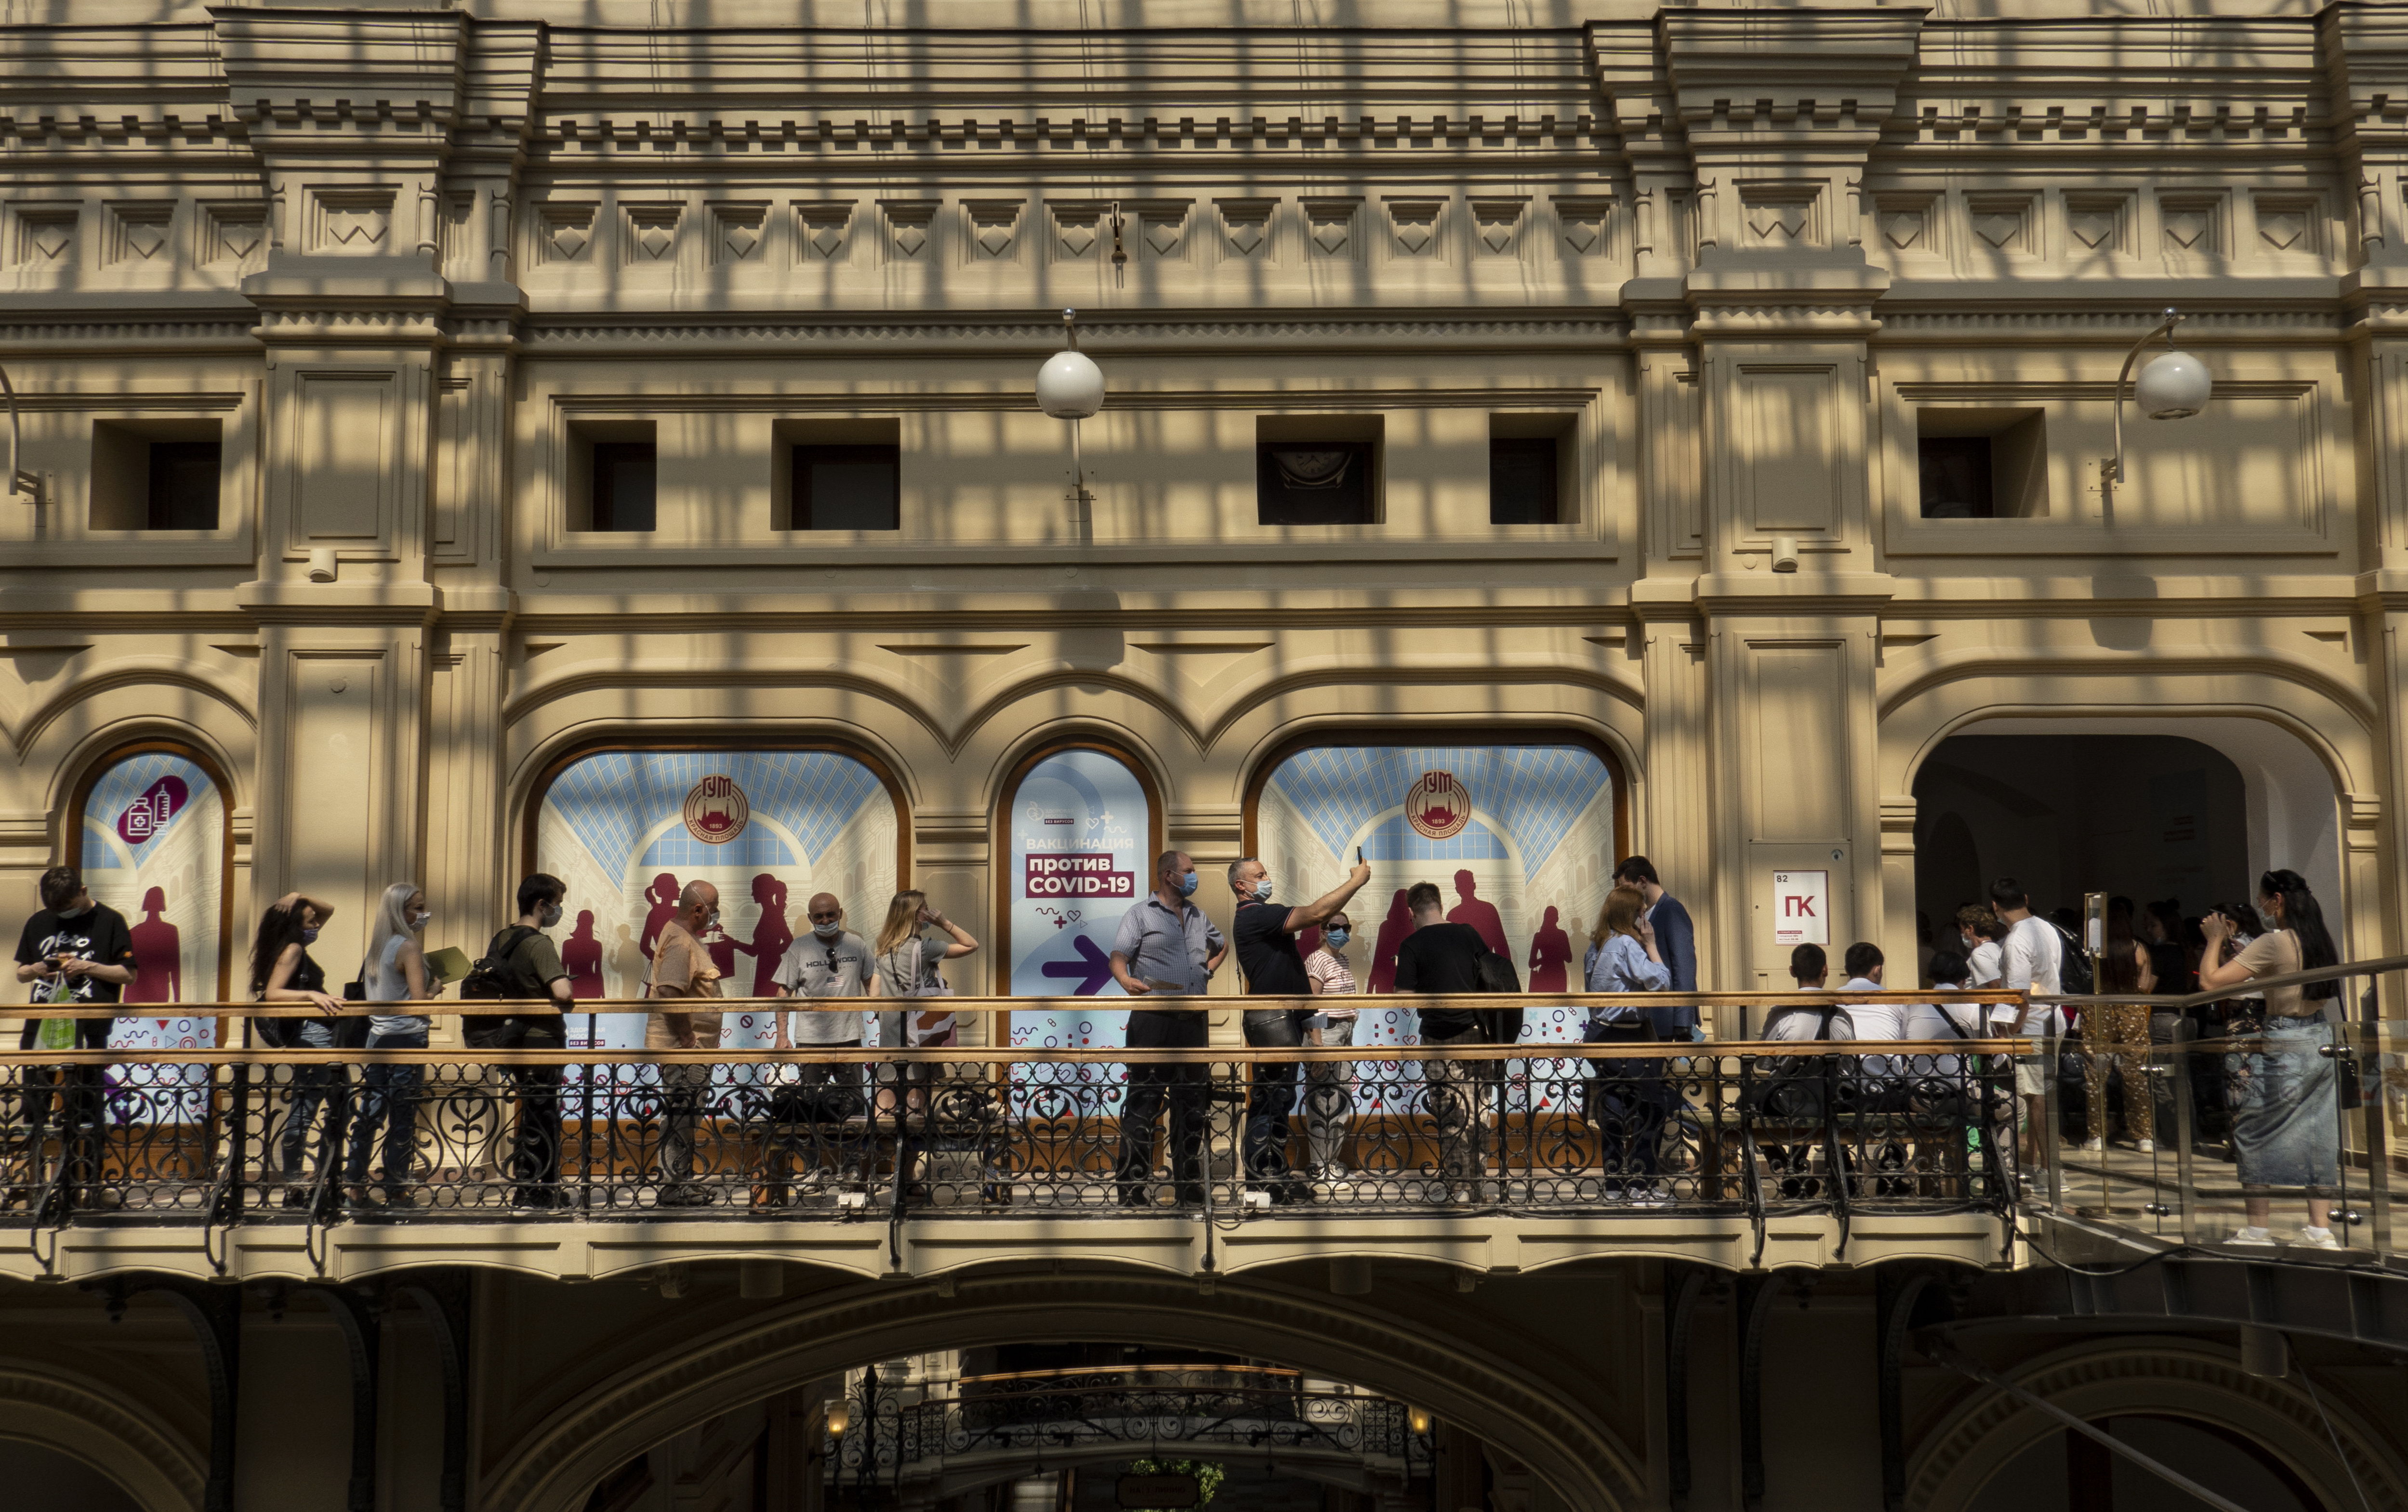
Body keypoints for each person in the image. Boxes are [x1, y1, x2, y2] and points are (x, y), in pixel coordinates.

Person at [2199, 869, 2343, 1250]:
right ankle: (2319, 1228)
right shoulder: (2318, 938)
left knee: (2253, 1129)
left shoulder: (2275, 941)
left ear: (2276, 900)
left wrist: (2215, 939)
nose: (2260, 906)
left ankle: (2258, 1229)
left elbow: (2211, 982)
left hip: (2284, 1035)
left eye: (2263, 899)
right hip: (2320, 1035)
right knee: (2319, 1131)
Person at [1229, 855, 1373, 1204]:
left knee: (1281, 1099)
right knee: (1269, 1099)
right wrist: (1356, 881)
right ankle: (1260, 1180)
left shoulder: (1268, 923)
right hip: (1273, 1020)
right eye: (1259, 875)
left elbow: (1301, 989)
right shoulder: (1255, 915)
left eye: (1266, 872)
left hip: (1288, 1019)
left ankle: (1273, 1175)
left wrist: (1313, 1032)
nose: (1266, 878)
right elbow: (1315, 914)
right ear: (1241, 886)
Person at [13, 867, 137, 1207]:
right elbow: (22, 971)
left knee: (86, 1106)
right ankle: (32, 1183)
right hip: (41, 1028)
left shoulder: (110, 920)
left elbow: (128, 974)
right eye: (56, 910)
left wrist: (87, 967)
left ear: (83, 890)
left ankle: (90, 1184)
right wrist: (38, 969)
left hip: (89, 1027)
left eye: (68, 906)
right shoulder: (39, 921)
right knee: (35, 1104)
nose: (62, 914)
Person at [1109, 851, 1226, 1209]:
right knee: (1144, 1101)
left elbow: (1220, 944)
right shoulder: (1141, 913)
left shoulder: (1197, 914)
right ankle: (1131, 1184)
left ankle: (1187, 1181)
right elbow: (1118, 956)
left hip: (1193, 1020)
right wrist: (1127, 981)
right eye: (1189, 871)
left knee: (1191, 1103)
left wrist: (1207, 970)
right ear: (1168, 875)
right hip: (1155, 1018)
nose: (1194, 877)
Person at [767, 893, 879, 1203]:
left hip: (850, 1039)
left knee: (854, 1108)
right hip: (810, 1041)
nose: (827, 921)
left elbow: (873, 982)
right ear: (810, 918)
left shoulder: (857, 945)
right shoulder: (799, 947)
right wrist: (782, 1034)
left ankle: (853, 1170)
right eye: (820, 917)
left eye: (831, 915)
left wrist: (884, 1019)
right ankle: (814, 1169)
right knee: (809, 1108)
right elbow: (783, 992)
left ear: (841, 912)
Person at [870, 890, 979, 1198]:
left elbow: (875, 998)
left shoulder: (882, 949)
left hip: (890, 1039)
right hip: (921, 1038)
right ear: (916, 915)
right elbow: (972, 945)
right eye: (925, 910)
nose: (930, 913)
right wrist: (945, 922)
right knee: (916, 1114)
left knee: (886, 1113)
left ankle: (883, 1177)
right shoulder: (925, 947)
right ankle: (907, 1180)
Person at [1392, 880, 1494, 1202]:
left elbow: (1403, 1000)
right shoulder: (1468, 933)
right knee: (1479, 1112)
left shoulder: (1411, 945)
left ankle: (1456, 1187)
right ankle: (1478, 1186)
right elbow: (1490, 975)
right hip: (1477, 1034)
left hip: (1436, 1037)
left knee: (1450, 1114)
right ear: (1440, 904)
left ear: (1411, 912)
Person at [250, 891, 348, 1208]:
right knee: (308, 1108)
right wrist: (312, 996)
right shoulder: (292, 949)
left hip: (318, 1033)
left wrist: (300, 895)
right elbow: (273, 994)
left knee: (332, 1106)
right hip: (312, 1035)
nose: (317, 924)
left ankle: (319, 1178)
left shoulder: (293, 946)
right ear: (295, 924)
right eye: (309, 920)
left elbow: (329, 908)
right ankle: (300, 1182)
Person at [483, 875, 575, 1207]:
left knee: (530, 1112)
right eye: (557, 903)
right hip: (542, 1040)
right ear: (542, 905)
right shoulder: (539, 943)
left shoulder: (502, 937)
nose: (558, 910)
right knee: (545, 1114)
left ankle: (526, 1184)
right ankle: (543, 1189)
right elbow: (562, 990)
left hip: (513, 1039)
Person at [344, 882, 435, 1209]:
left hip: (377, 1038)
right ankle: (396, 1187)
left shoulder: (377, 947)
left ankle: (355, 1184)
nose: (423, 913)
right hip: (407, 1038)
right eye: (417, 907)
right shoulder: (408, 947)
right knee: (401, 1113)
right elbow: (419, 1004)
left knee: (369, 1113)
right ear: (400, 910)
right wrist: (435, 986)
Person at [1581, 885, 1672, 1203]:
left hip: (1599, 1033)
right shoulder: (1626, 945)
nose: (1644, 919)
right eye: (1641, 912)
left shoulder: (1597, 945)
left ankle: (1614, 1183)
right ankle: (1642, 1181)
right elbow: (1662, 982)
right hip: (1627, 1036)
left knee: (1613, 1107)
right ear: (1631, 915)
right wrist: (1653, 944)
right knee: (1653, 1107)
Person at [646, 881, 725, 1208]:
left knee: (687, 1116)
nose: (715, 914)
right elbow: (669, 991)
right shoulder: (680, 941)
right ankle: (674, 1187)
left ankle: (682, 1183)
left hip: (693, 1050)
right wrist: (686, 1037)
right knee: (681, 1115)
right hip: (686, 1051)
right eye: (713, 907)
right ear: (698, 910)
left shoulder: (684, 937)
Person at [1760, 944, 1846, 1197]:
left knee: (1748, 1103)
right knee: (1813, 1101)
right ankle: (1795, 1168)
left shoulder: (1781, 1013)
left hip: (1786, 1101)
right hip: (1829, 1102)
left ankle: (1788, 1166)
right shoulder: (1841, 1015)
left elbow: (1764, 1063)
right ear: (1826, 970)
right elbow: (1848, 1066)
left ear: (1792, 971)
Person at [1991, 878, 2064, 1170]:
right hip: (2050, 1020)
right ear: (2025, 897)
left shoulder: (2017, 941)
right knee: (2038, 1095)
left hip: (2032, 1025)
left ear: (1995, 907)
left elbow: (2021, 995)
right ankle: (2032, 1162)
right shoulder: (2047, 928)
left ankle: (2050, 1170)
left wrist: (2012, 1031)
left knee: (2037, 1099)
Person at [2082, 897, 2159, 1154]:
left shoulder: (2094, 949)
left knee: (2096, 1076)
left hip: (2099, 1011)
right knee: (2136, 1076)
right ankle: (2144, 1136)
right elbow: (2145, 987)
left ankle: (2096, 1136)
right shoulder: (2138, 948)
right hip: (2132, 1011)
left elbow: (2085, 981)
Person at [1303, 909, 1361, 1187]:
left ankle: (1331, 1162)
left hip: (1345, 1031)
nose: (1342, 931)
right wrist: (1316, 1044)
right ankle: (1318, 1165)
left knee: (1342, 1099)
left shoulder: (1343, 959)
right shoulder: (1317, 960)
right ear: (1323, 930)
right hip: (1326, 1032)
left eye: (1346, 927)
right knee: (1323, 1101)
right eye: (1335, 926)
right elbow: (1311, 1004)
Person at [1613, 857, 1699, 1039]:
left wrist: (1683, 1021)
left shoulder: (1672, 910)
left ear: (1643, 881)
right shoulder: (1645, 912)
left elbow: (1684, 968)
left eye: (1627, 887)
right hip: (1648, 1016)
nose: (1625, 894)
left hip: (1665, 1017)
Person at [126, 885, 181, 1004]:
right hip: (158, 987)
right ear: (162, 904)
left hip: (138, 988)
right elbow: (175, 967)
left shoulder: (135, 931)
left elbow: (128, 962)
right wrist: (177, 1000)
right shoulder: (170, 930)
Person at [1957, 906, 2006, 989]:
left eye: (1962, 930)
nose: (1962, 934)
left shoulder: (1980, 953)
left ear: (1970, 929)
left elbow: (1996, 987)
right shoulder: (1998, 948)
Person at [1526, 906, 1572, 995]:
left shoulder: (1539, 936)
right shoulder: (1562, 935)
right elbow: (1569, 959)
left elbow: (1532, 964)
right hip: (1559, 974)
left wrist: (1545, 959)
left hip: (1545, 975)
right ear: (1557, 919)